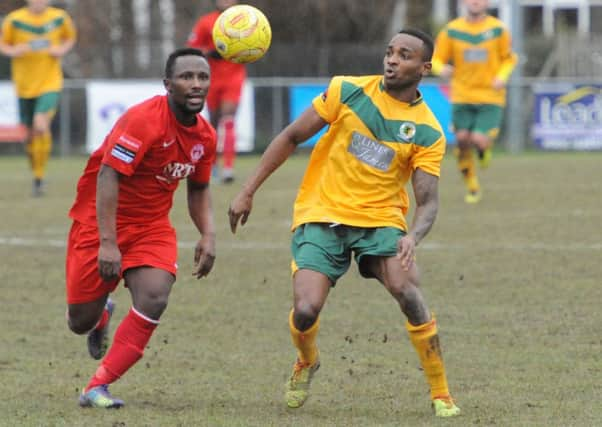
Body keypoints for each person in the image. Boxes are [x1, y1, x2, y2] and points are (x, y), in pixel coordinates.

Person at [228, 29, 461, 418]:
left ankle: (441, 393)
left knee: (408, 290)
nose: (391, 60)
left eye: (404, 55)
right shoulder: (347, 90)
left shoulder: (427, 130)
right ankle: (307, 361)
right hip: (322, 211)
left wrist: (413, 237)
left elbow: (428, 201)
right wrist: (247, 190)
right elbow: (290, 136)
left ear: (424, 67)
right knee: (305, 310)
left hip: (380, 220)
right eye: (389, 52)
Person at [65, 47, 217, 409]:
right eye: (186, 77)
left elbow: (198, 187)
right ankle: (101, 314)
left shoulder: (205, 137)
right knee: (79, 321)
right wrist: (108, 243)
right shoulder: (144, 120)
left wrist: (208, 234)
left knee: (155, 296)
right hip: (99, 222)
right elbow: (108, 174)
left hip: (151, 227)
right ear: (168, 84)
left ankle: (97, 385)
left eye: (202, 77)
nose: (196, 84)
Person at [432, 0, 517, 204]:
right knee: (461, 139)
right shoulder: (451, 31)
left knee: (478, 139)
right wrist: (440, 69)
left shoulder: (498, 30)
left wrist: (502, 77)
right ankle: (472, 186)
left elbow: (509, 58)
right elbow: (436, 58)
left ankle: (483, 149)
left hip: (490, 96)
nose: (475, 1)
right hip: (462, 95)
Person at [0, 0, 76, 197]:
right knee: (30, 135)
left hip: (50, 82)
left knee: (41, 124)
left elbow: (70, 38)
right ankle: (37, 174)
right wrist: (13, 51)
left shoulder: (59, 18)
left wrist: (61, 49)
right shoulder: (14, 20)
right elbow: (3, 44)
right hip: (24, 86)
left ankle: (40, 178)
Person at [187, 0, 244, 184]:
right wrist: (211, 52)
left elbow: (254, 43)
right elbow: (192, 48)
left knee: (228, 119)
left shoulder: (244, 21)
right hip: (211, 77)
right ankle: (211, 166)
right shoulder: (206, 22)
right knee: (213, 123)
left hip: (234, 76)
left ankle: (228, 168)